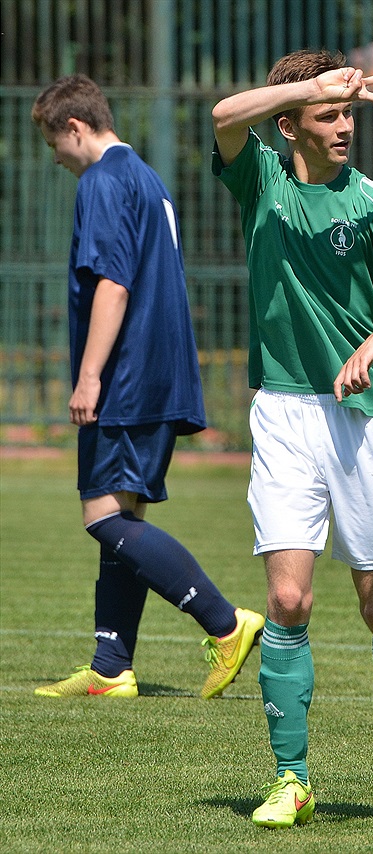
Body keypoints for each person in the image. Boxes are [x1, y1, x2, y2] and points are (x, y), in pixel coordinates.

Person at [211, 49, 373, 825]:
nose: (345, 125)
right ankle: (291, 779)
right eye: (329, 113)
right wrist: (306, 87)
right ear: (289, 125)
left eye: (348, 111)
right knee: (287, 599)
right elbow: (223, 116)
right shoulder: (263, 180)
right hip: (284, 412)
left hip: (365, 419)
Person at [31, 74, 264, 699]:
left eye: (54, 144)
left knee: (101, 515)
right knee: (124, 513)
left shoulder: (102, 181)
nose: (55, 159)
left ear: (74, 127)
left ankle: (225, 623)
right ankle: (111, 667)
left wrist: (89, 375)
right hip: (159, 371)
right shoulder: (147, 178)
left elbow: (113, 283)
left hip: (128, 377)